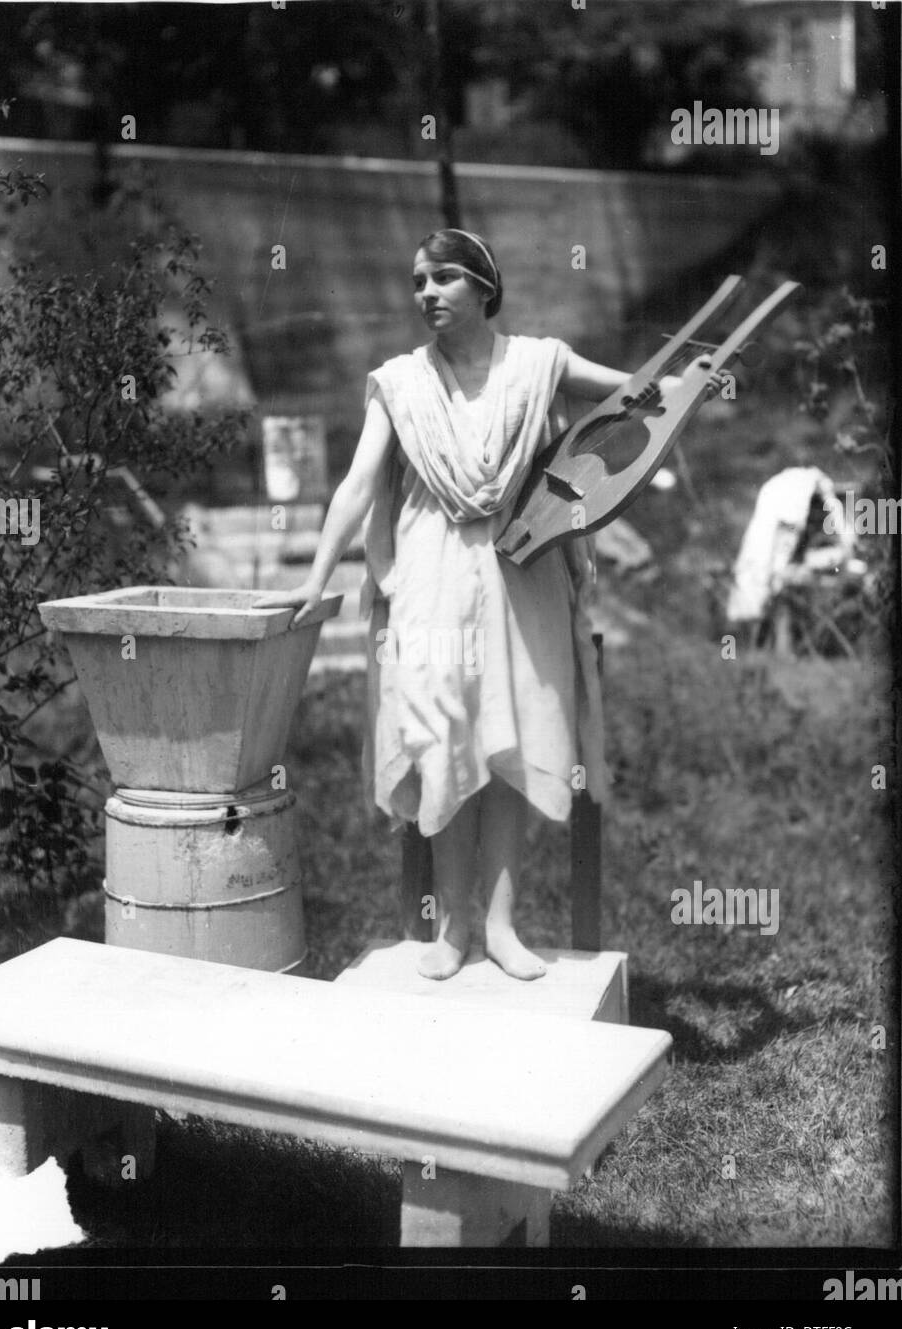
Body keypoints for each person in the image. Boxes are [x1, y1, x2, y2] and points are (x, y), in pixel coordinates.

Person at [255, 228, 718, 981]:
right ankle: (451, 928)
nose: (426, 294)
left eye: (442, 278)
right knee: (440, 739)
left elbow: (638, 394)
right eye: (417, 282)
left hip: (521, 572)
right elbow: (356, 484)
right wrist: (316, 576)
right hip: (431, 583)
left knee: (513, 741)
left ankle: (500, 926)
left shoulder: (542, 362)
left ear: (482, 286)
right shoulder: (398, 383)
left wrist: (691, 378)